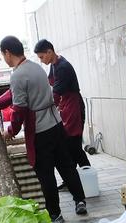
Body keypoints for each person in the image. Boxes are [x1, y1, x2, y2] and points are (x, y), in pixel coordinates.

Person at [0, 35, 87, 223]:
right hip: (56, 123)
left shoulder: (18, 75)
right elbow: (13, 94)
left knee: (46, 174)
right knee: (66, 165)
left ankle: (55, 214)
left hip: (41, 130)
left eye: (3, 55)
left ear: (7, 53)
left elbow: (19, 108)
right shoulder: (36, 67)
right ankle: (80, 200)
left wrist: (11, 130)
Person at [34, 39, 91, 169]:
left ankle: (88, 175)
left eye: (42, 57)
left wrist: (41, 108)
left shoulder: (63, 67)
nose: (41, 60)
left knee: (74, 146)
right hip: (66, 106)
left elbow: (55, 93)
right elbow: (49, 84)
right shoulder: (54, 65)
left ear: (49, 52)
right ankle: (74, 177)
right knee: (68, 145)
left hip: (73, 107)